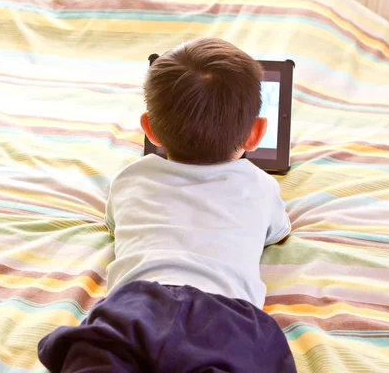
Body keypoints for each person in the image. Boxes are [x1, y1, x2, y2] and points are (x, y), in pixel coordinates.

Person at [37, 38, 297, 373]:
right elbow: (277, 231)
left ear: (150, 129)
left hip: (135, 306)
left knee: (95, 359)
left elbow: (114, 224)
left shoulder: (130, 179)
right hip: (227, 317)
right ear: (256, 133)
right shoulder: (261, 186)